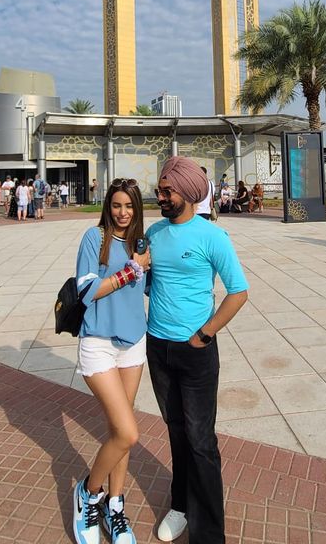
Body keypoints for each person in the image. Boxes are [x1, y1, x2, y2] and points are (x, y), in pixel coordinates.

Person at [146, 156, 248, 544]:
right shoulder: (154, 233)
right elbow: (147, 278)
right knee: (175, 431)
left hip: (196, 351)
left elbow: (238, 291)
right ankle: (180, 505)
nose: (161, 196)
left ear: (188, 193)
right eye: (160, 190)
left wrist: (204, 334)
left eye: (167, 191)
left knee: (201, 440)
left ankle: (207, 532)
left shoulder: (212, 237)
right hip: (158, 346)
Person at [72, 178, 150, 544]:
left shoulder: (141, 244)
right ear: (108, 206)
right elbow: (87, 291)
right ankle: (89, 493)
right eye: (117, 205)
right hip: (99, 342)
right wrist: (131, 270)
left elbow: (149, 287)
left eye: (129, 206)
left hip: (133, 341)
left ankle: (115, 505)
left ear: (137, 209)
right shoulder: (94, 238)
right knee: (128, 432)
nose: (122, 213)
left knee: (121, 432)